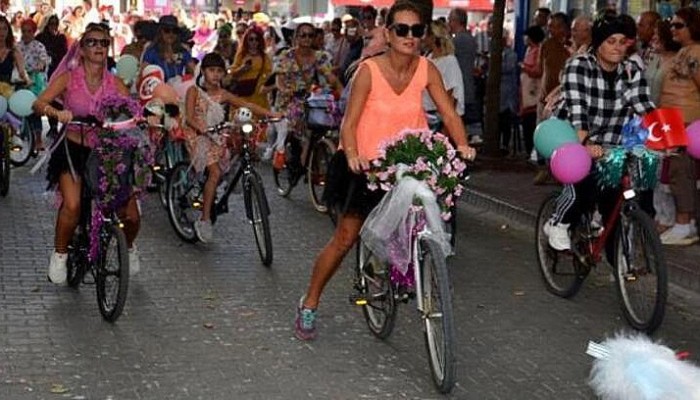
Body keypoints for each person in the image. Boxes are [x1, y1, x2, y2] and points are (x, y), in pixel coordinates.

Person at [294, 1, 476, 341]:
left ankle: (397, 266)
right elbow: (349, 123)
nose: (410, 36)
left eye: (417, 30)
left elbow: (449, 115)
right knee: (345, 238)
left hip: (409, 162)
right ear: (389, 34)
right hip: (365, 163)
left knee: (420, 218)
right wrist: (352, 154)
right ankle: (310, 301)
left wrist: (463, 145)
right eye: (402, 30)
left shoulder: (426, 69)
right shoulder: (369, 71)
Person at [33, 23, 142, 285]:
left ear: (109, 49)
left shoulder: (116, 83)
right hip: (73, 149)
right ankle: (60, 255)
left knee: (131, 214)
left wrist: (143, 118)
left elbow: (134, 112)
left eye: (103, 43)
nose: (98, 47)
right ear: (81, 49)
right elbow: (39, 103)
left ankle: (127, 248)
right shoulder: (69, 79)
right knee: (72, 205)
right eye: (92, 42)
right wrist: (56, 113)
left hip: (108, 153)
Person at [544, 15, 656, 252]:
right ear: (598, 44)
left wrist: (665, 136)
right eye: (610, 41)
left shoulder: (631, 70)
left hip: (609, 141)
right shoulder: (579, 66)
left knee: (613, 198)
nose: (617, 47)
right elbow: (578, 110)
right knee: (584, 184)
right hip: (571, 134)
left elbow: (644, 105)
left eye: (622, 42)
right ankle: (558, 223)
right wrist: (584, 144)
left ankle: (618, 262)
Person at [183, 53, 280, 243]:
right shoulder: (194, 91)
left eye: (219, 71)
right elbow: (188, 117)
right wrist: (201, 128)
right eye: (212, 70)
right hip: (196, 135)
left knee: (236, 149)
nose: (216, 75)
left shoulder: (223, 94)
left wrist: (271, 113)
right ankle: (204, 220)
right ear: (203, 71)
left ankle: (215, 192)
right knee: (215, 172)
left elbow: (246, 104)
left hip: (216, 133)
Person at [656, 7, 700, 245]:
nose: (673, 28)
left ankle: (684, 223)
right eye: (672, 25)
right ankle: (686, 222)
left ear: (692, 27)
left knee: (680, 172)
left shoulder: (696, 53)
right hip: (672, 120)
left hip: (686, 120)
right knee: (677, 172)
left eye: (678, 25)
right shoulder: (684, 52)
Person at [227, 26, 271, 109]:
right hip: (242, 94)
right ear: (246, 41)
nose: (254, 42)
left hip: (258, 96)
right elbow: (232, 73)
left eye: (256, 39)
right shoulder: (241, 55)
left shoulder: (264, 57)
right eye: (251, 39)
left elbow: (268, 74)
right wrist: (242, 69)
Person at [142, 15, 194, 82]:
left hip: (179, 88)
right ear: (160, 32)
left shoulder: (182, 51)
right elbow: (144, 74)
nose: (171, 34)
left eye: (174, 31)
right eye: (167, 30)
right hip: (158, 88)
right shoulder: (152, 52)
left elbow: (194, 71)